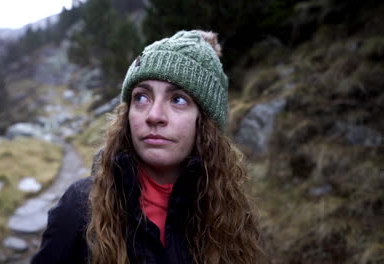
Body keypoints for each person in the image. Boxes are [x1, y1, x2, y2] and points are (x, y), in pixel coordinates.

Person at [31, 30, 264, 264]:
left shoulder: (231, 219)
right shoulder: (79, 209)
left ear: (205, 122)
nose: (154, 115)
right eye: (142, 97)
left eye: (178, 99)